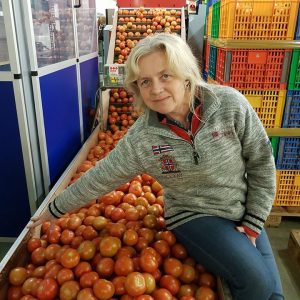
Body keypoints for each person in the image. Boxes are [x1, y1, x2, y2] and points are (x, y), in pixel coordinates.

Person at [30, 33, 283, 300]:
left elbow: (261, 163)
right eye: (145, 82)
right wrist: (53, 210)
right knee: (257, 284)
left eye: (165, 76)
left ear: (185, 73)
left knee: (274, 296)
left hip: (240, 207)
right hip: (194, 214)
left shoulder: (229, 106)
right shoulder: (143, 138)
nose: (156, 89)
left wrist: (253, 223)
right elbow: (100, 177)